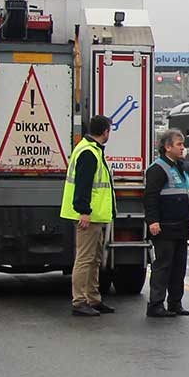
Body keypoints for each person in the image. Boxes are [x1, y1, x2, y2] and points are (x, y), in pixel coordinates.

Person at [62, 114, 116, 318]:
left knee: (94, 259)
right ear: (105, 132)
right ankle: (80, 301)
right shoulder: (89, 153)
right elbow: (83, 186)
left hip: (97, 216)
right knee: (85, 259)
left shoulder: (92, 149)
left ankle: (93, 298)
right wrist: (84, 211)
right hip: (89, 216)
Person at [143, 128, 189, 318]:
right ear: (167, 147)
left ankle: (175, 302)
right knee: (163, 266)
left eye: (183, 144)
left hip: (181, 227)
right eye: (179, 144)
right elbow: (150, 197)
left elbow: (184, 194)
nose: (183, 148)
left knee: (178, 267)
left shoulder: (179, 167)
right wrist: (153, 221)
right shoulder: (157, 169)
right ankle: (156, 304)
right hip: (165, 226)